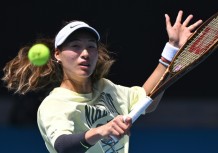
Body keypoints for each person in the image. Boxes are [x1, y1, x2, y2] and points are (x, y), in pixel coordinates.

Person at [2, 10, 202, 153]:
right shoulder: (54, 105)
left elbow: (146, 101)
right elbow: (62, 145)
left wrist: (172, 48)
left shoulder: (106, 88)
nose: (85, 54)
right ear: (57, 54)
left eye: (91, 47)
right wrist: (101, 130)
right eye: (75, 46)